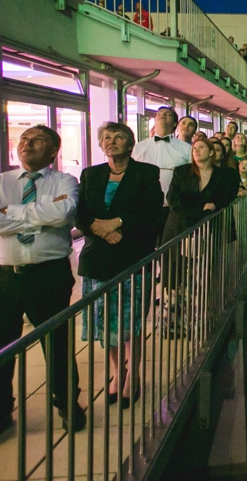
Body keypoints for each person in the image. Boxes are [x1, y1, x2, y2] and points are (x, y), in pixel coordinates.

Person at [0, 125, 85, 454]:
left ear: (52, 151)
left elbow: (64, 214)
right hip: (1, 279)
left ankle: (67, 404)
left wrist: (8, 213)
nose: (26, 144)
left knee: (57, 343)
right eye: (23, 139)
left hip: (48, 276)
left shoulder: (65, 181)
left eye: (37, 140)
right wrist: (38, 216)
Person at [76, 122, 163, 408]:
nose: (112, 142)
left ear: (130, 143)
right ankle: (117, 371)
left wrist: (119, 223)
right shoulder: (90, 174)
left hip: (132, 256)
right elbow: (81, 213)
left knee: (131, 320)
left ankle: (133, 374)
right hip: (98, 258)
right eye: (106, 138)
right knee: (106, 322)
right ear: (101, 145)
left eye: (119, 137)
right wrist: (100, 229)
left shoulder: (146, 173)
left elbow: (152, 211)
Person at [160, 138, 239, 336]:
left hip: (210, 232)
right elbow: (174, 201)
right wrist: (202, 208)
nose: (196, 150)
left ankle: (201, 323)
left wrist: (204, 205)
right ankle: (174, 325)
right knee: (176, 278)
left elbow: (225, 197)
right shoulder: (181, 172)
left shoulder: (226, 175)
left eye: (201, 147)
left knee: (203, 277)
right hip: (180, 230)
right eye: (194, 148)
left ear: (212, 152)